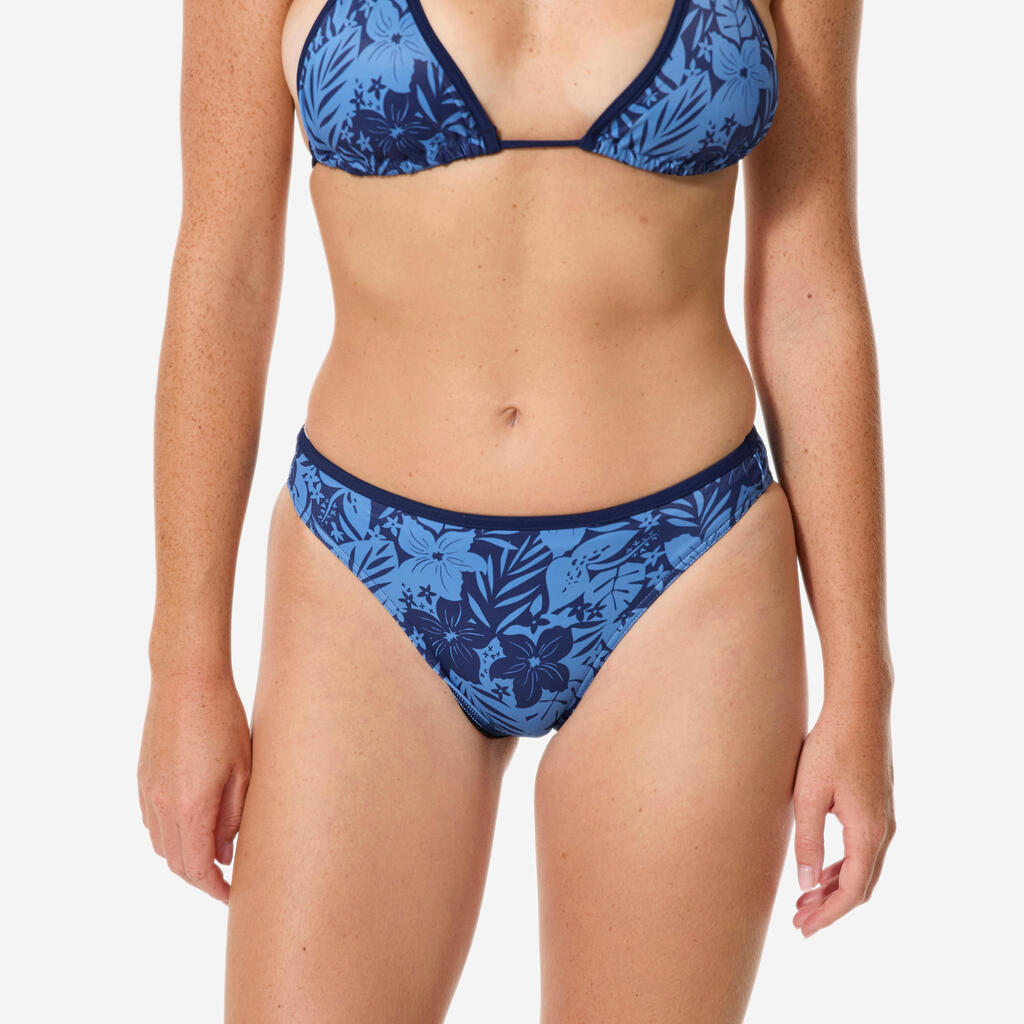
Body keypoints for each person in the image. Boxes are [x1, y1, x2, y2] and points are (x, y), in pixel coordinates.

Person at [138, 0, 896, 1019]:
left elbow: (811, 289)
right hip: (367, 571)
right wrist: (184, 667)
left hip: (686, 572)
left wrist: (861, 686)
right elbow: (221, 275)